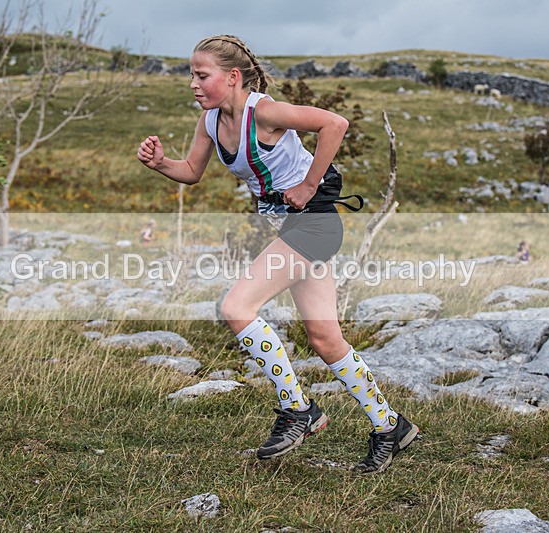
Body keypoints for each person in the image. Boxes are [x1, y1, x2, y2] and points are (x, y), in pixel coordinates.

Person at [137, 34, 418, 472]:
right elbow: (191, 171)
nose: (193, 83)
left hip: (315, 224)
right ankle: (391, 427)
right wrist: (160, 164)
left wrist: (308, 185)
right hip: (291, 227)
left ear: (233, 77)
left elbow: (335, 123)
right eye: (191, 74)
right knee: (325, 339)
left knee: (236, 307)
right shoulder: (210, 122)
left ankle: (298, 409)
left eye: (201, 75)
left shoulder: (264, 112)